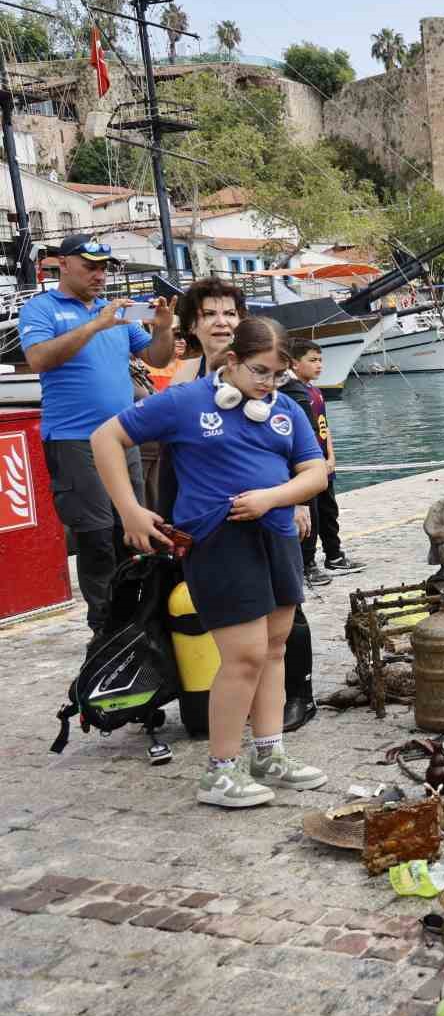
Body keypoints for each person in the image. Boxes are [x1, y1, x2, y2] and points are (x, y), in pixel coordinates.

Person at [90, 317, 328, 809]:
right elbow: (105, 439)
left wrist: (273, 498)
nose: (268, 384)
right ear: (233, 361)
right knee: (242, 655)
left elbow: (315, 473)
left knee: (275, 648)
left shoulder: (285, 409)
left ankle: (269, 752)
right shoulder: (186, 402)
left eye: (278, 375)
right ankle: (220, 771)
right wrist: (131, 510)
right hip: (219, 541)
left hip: (277, 534)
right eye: (259, 372)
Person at [19, 234, 175, 638]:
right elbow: (38, 359)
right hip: (73, 439)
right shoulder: (42, 308)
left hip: (123, 437)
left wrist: (163, 330)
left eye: (104, 268)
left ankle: (140, 616)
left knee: (135, 528)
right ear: (63, 264)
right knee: (95, 536)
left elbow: (157, 358)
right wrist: (95, 325)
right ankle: (104, 627)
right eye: (90, 266)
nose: (99, 275)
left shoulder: (117, 314)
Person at [281, 339, 362, 587]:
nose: (319, 365)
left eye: (320, 360)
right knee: (310, 515)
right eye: (312, 360)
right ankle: (307, 564)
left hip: (324, 462)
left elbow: (324, 427)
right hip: (309, 465)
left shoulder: (315, 391)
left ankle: (334, 554)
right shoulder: (294, 392)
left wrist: (331, 457)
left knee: (329, 511)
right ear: (295, 363)